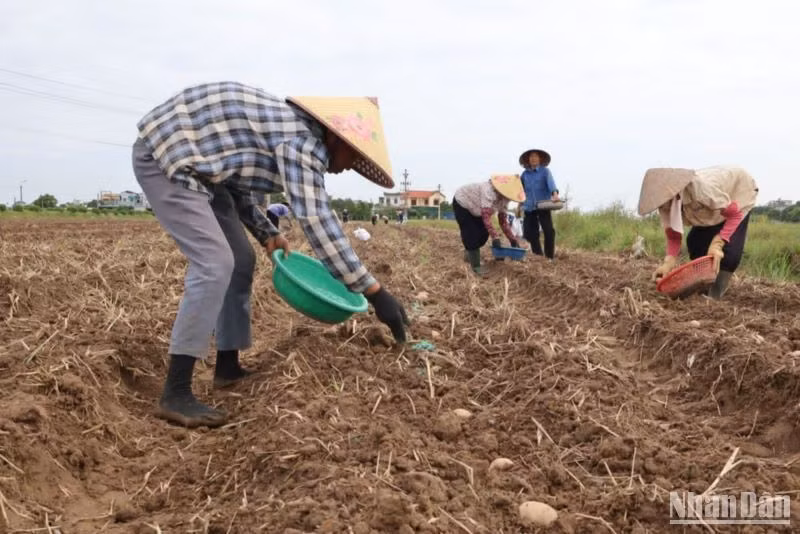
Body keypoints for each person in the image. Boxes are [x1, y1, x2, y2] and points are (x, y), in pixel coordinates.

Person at [132, 82, 410, 428]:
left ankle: (227, 367)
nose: (347, 166)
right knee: (214, 264)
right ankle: (175, 392)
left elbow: (232, 179)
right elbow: (317, 221)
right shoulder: (301, 144)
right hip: (165, 158)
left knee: (241, 261)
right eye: (353, 156)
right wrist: (373, 291)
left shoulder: (288, 133)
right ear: (336, 138)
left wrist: (267, 231)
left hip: (206, 174)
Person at [638, 165, 759, 299]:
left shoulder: (701, 190)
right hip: (712, 211)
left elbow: (734, 215)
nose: (661, 206)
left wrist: (718, 243)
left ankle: (715, 294)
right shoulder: (665, 204)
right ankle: (702, 284)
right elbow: (673, 236)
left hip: (737, 194)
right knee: (695, 242)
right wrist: (668, 263)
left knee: (729, 252)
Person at [453, 174, 524, 274]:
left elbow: (503, 221)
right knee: (471, 233)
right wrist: (495, 237)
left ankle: (469, 253)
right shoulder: (488, 190)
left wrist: (512, 239)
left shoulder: (505, 199)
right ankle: (476, 266)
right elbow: (486, 216)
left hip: (477, 210)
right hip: (463, 203)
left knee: (483, 235)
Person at [519, 148, 559, 259]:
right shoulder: (524, 174)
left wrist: (554, 194)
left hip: (543, 205)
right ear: (528, 159)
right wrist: (519, 205)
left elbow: (551, 183)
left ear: (540, 159)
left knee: (549, 231)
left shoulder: (545, 171)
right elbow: (520, 190)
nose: (533, 158)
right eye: (531, 156)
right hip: (529, 207)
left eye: (536, 156)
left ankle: (549, 257)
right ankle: (538, 256)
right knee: (530, 233)